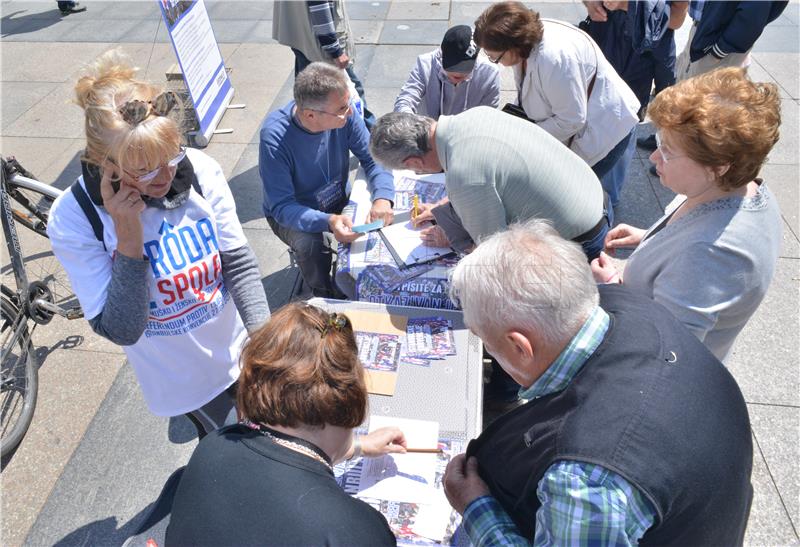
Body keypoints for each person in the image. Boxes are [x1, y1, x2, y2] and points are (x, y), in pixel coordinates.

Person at [442, 220, 754, 546]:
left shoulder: (585, 482)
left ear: (520, 347)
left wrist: (476, 509)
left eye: (484, 341)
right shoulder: (633, 306)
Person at [47, 50, 269, 437]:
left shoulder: (199, 169)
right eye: (144, 168)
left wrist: (265, 342)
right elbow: (123, 329)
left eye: (170, 156)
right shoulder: (73, 216)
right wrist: (128, 236)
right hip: (180, 380)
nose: (165, 176)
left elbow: (239, 263)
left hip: (239, 350)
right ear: (105, 163)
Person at [167, 303, 406, 546]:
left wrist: (356, 447)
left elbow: (289, 458)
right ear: (345, 406)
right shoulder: (354, 528)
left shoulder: (215, 445)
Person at [590, 67, 782, 363]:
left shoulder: (709, 254)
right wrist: (652, 237)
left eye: (667, 151)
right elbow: (693, 229)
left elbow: (667, 354)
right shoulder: (740, 189)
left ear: (718, 166)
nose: (654, 158)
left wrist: (612, 290)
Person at [369, 107, 610, 261]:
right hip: (594, 198)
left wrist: (451, 240)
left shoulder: (464, 173)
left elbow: (496, 254)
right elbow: (493, 176)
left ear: (414, 162)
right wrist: (445, 207)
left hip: (579, 241)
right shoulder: (475, 114)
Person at [474, 1, 640, 208]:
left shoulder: (555, 59)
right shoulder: (527, 42)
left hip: (607, 130)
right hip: (590, 122)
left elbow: (572, 119)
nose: (492, 60)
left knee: (594, 200)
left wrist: (525, 135)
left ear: (513, 46)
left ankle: (603, 233)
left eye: (494, 57)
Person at [260, 62, 395, 298]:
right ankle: (325, 293)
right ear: (310, 114)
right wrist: (329, 221)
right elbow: (282, 207)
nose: (351, 112)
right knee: (310, 245)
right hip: (294, 211)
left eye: (348, 103)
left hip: (337, 197)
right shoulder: (275, 137)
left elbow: (374, 157)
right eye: (342, 109)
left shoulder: (345, 114)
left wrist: (383, 198)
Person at [273, 0, 376, 129]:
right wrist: (335, 50)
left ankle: (310, 134)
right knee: (350, 98)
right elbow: (319, 7)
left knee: (309, 98)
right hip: (321, 47)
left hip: (299, 33)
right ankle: (375, 142)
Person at [394, 25, 501, 119]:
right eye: (452, 65)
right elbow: (405, 100)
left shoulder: (490, 74)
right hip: (427, 133)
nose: (459, 73)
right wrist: (411, 124)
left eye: (465, 67)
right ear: (441, 53)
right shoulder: (425, 64)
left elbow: (488, 117)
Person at [675, 0, 788, 82]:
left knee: (702, 92)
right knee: (690, 81)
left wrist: (721, 49)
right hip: (707, 28)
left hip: (718, 39)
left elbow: (754, 14)